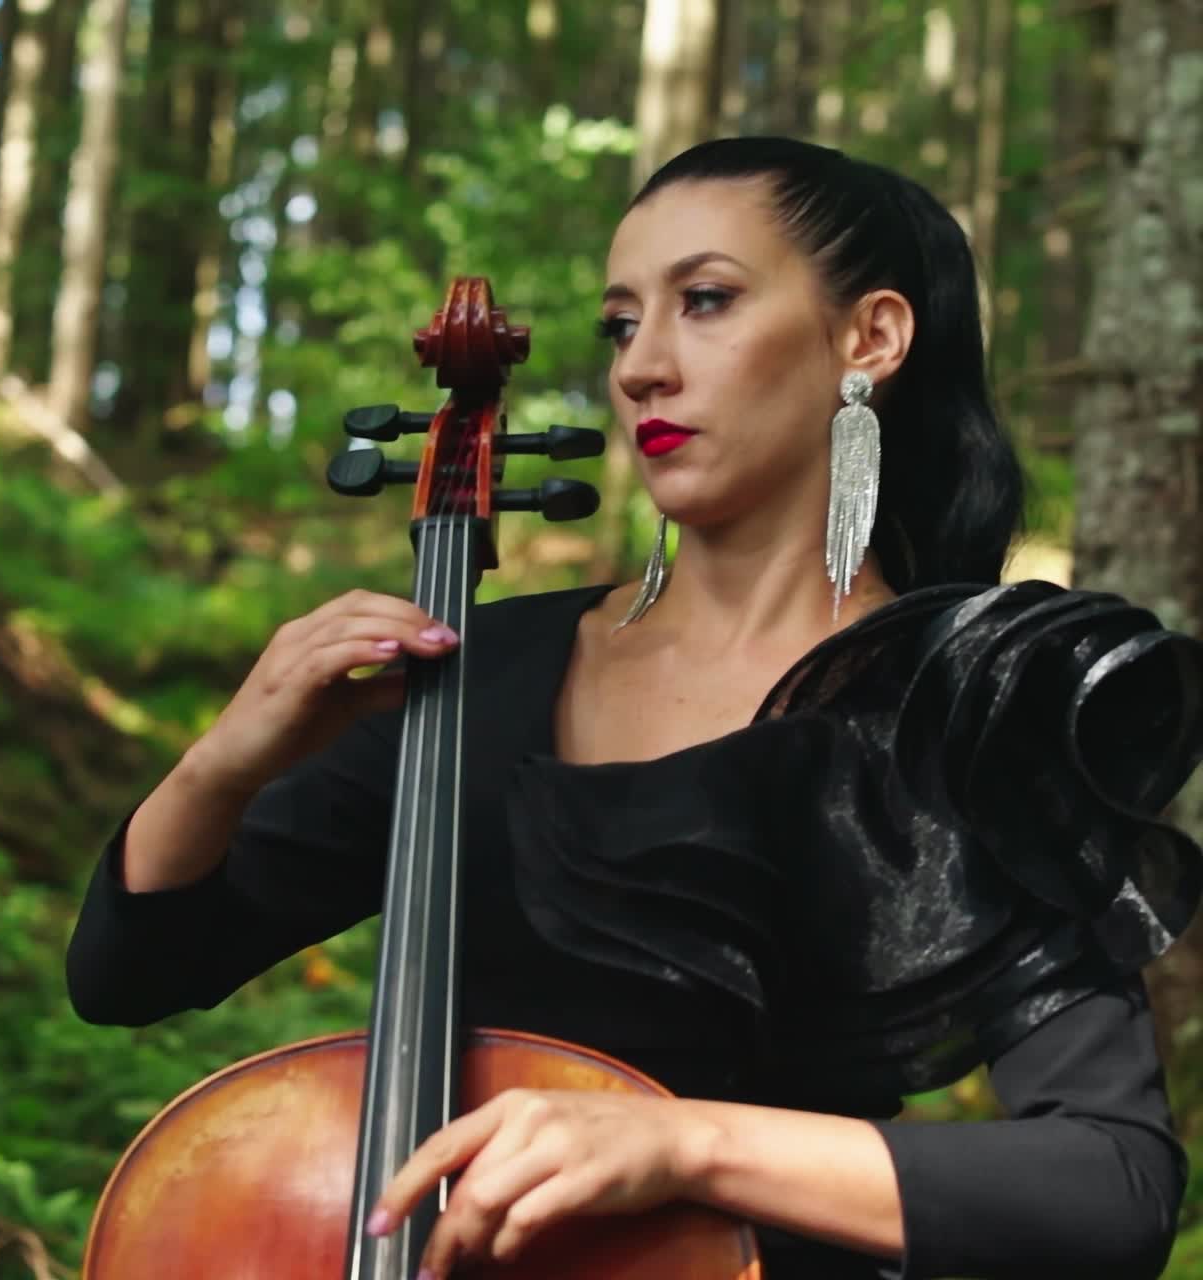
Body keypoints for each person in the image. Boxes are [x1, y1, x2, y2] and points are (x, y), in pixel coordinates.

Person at [66, 137, 1203, 1279]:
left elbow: (1110, 1185)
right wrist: (223, 762)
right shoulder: (476, 668)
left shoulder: (954, 706)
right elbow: (129, 973)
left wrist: (685, 1143)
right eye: (620, 324)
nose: (641, 367)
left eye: (704, 301)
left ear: (870, 337)